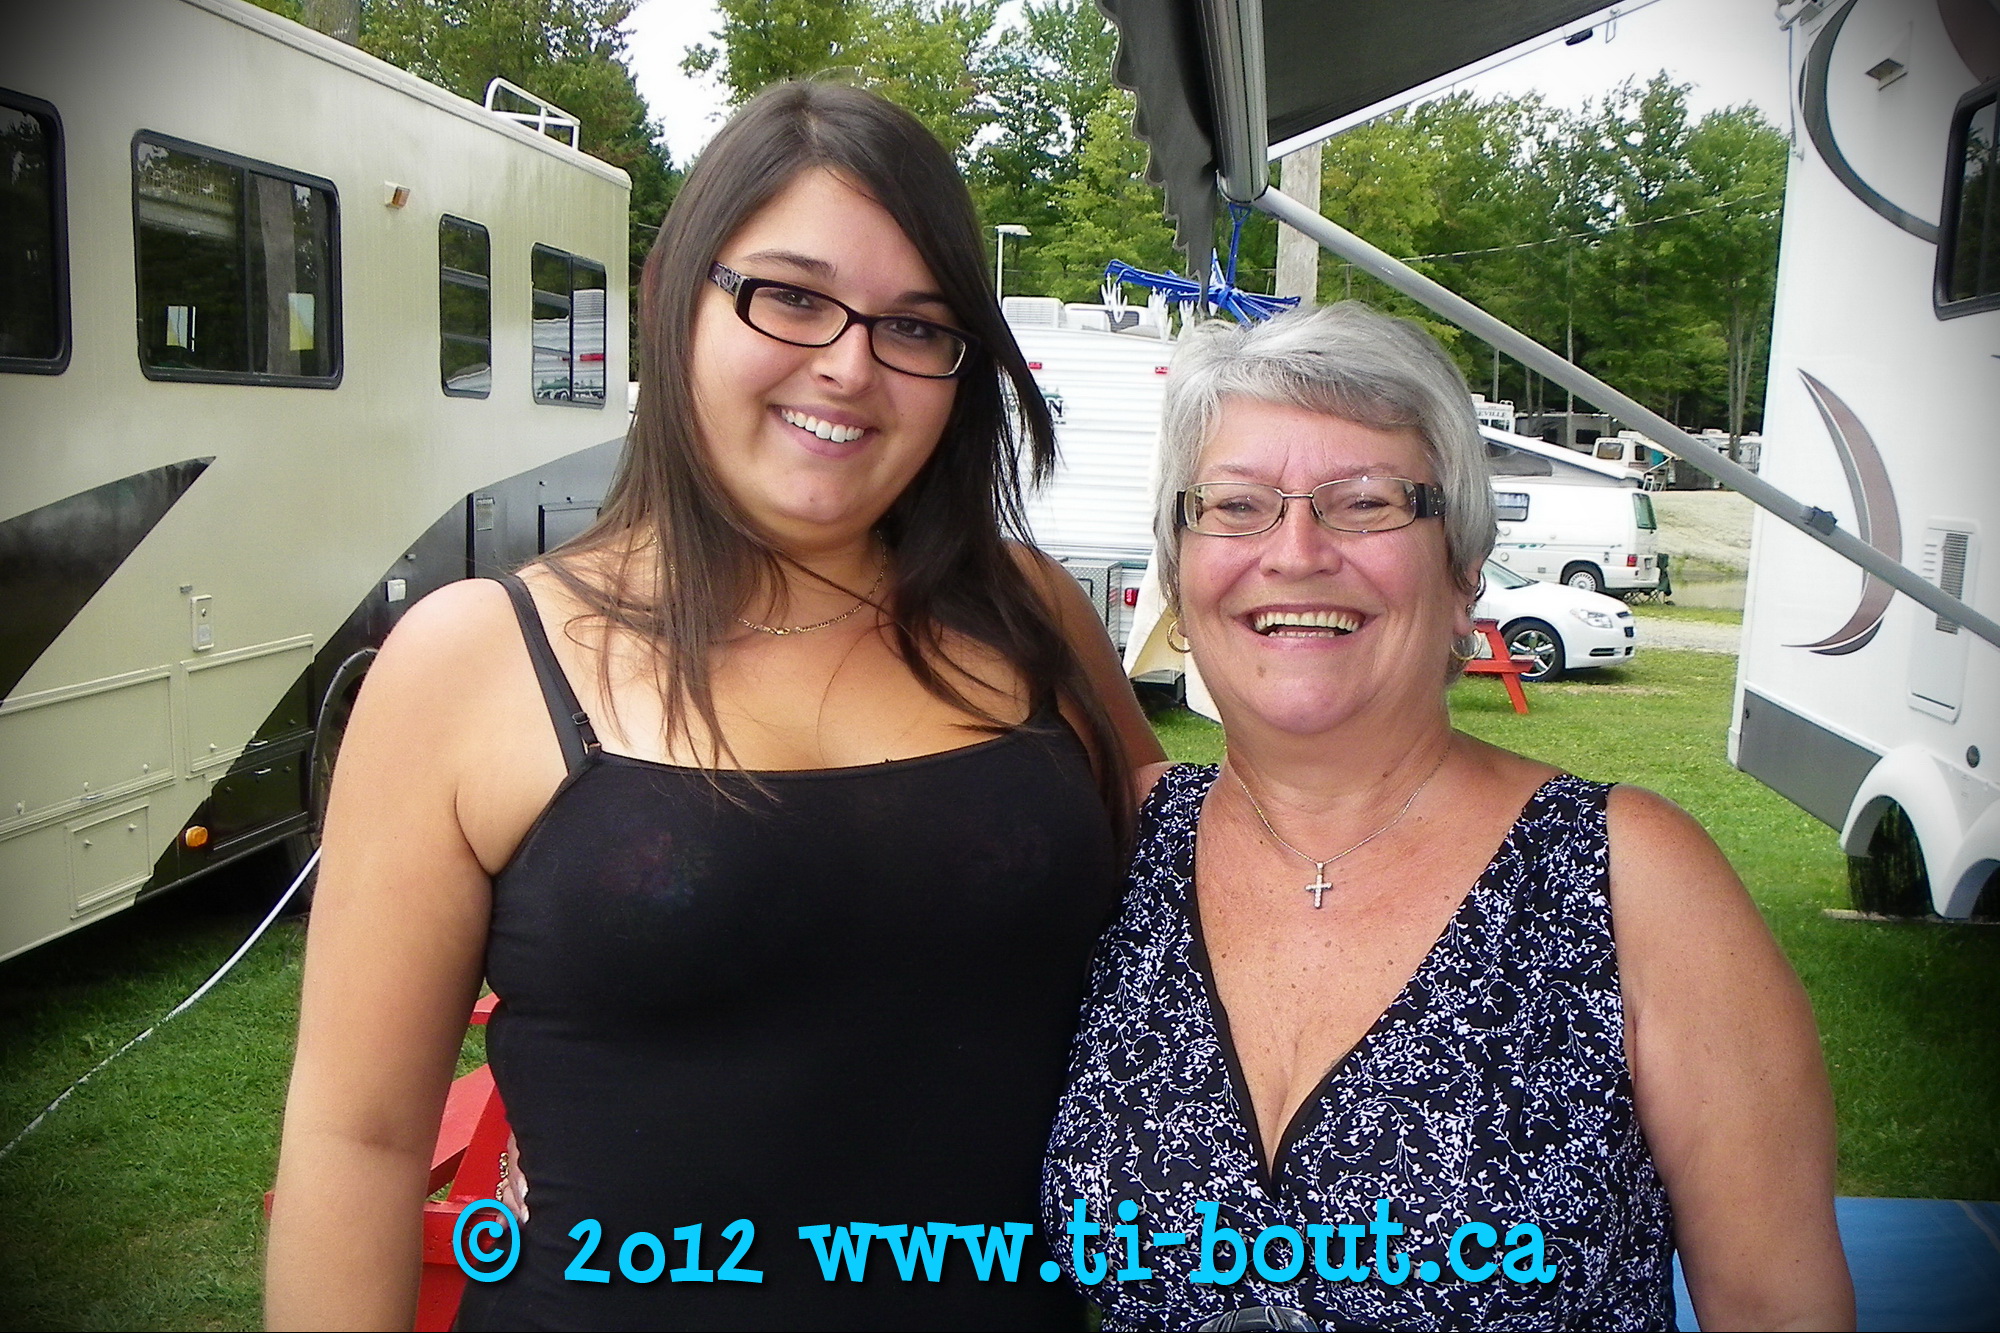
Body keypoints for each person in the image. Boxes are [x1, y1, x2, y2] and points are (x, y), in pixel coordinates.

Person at [266, 81, 1162, 1331]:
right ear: (673, 298)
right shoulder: (475, 660)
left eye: (914, 324)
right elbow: (356, 1139)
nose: (848, 365)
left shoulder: (1030, 614)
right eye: (790, 296)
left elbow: (1208, 901)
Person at [1042, 304, 1853, 1331]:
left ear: (1464, 569)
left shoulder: (1629, 880)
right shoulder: (1116, 845)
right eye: (1237, 505)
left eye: (1366, 503)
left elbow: (1779, 1307)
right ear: (1178, 568)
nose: (1295, 551)